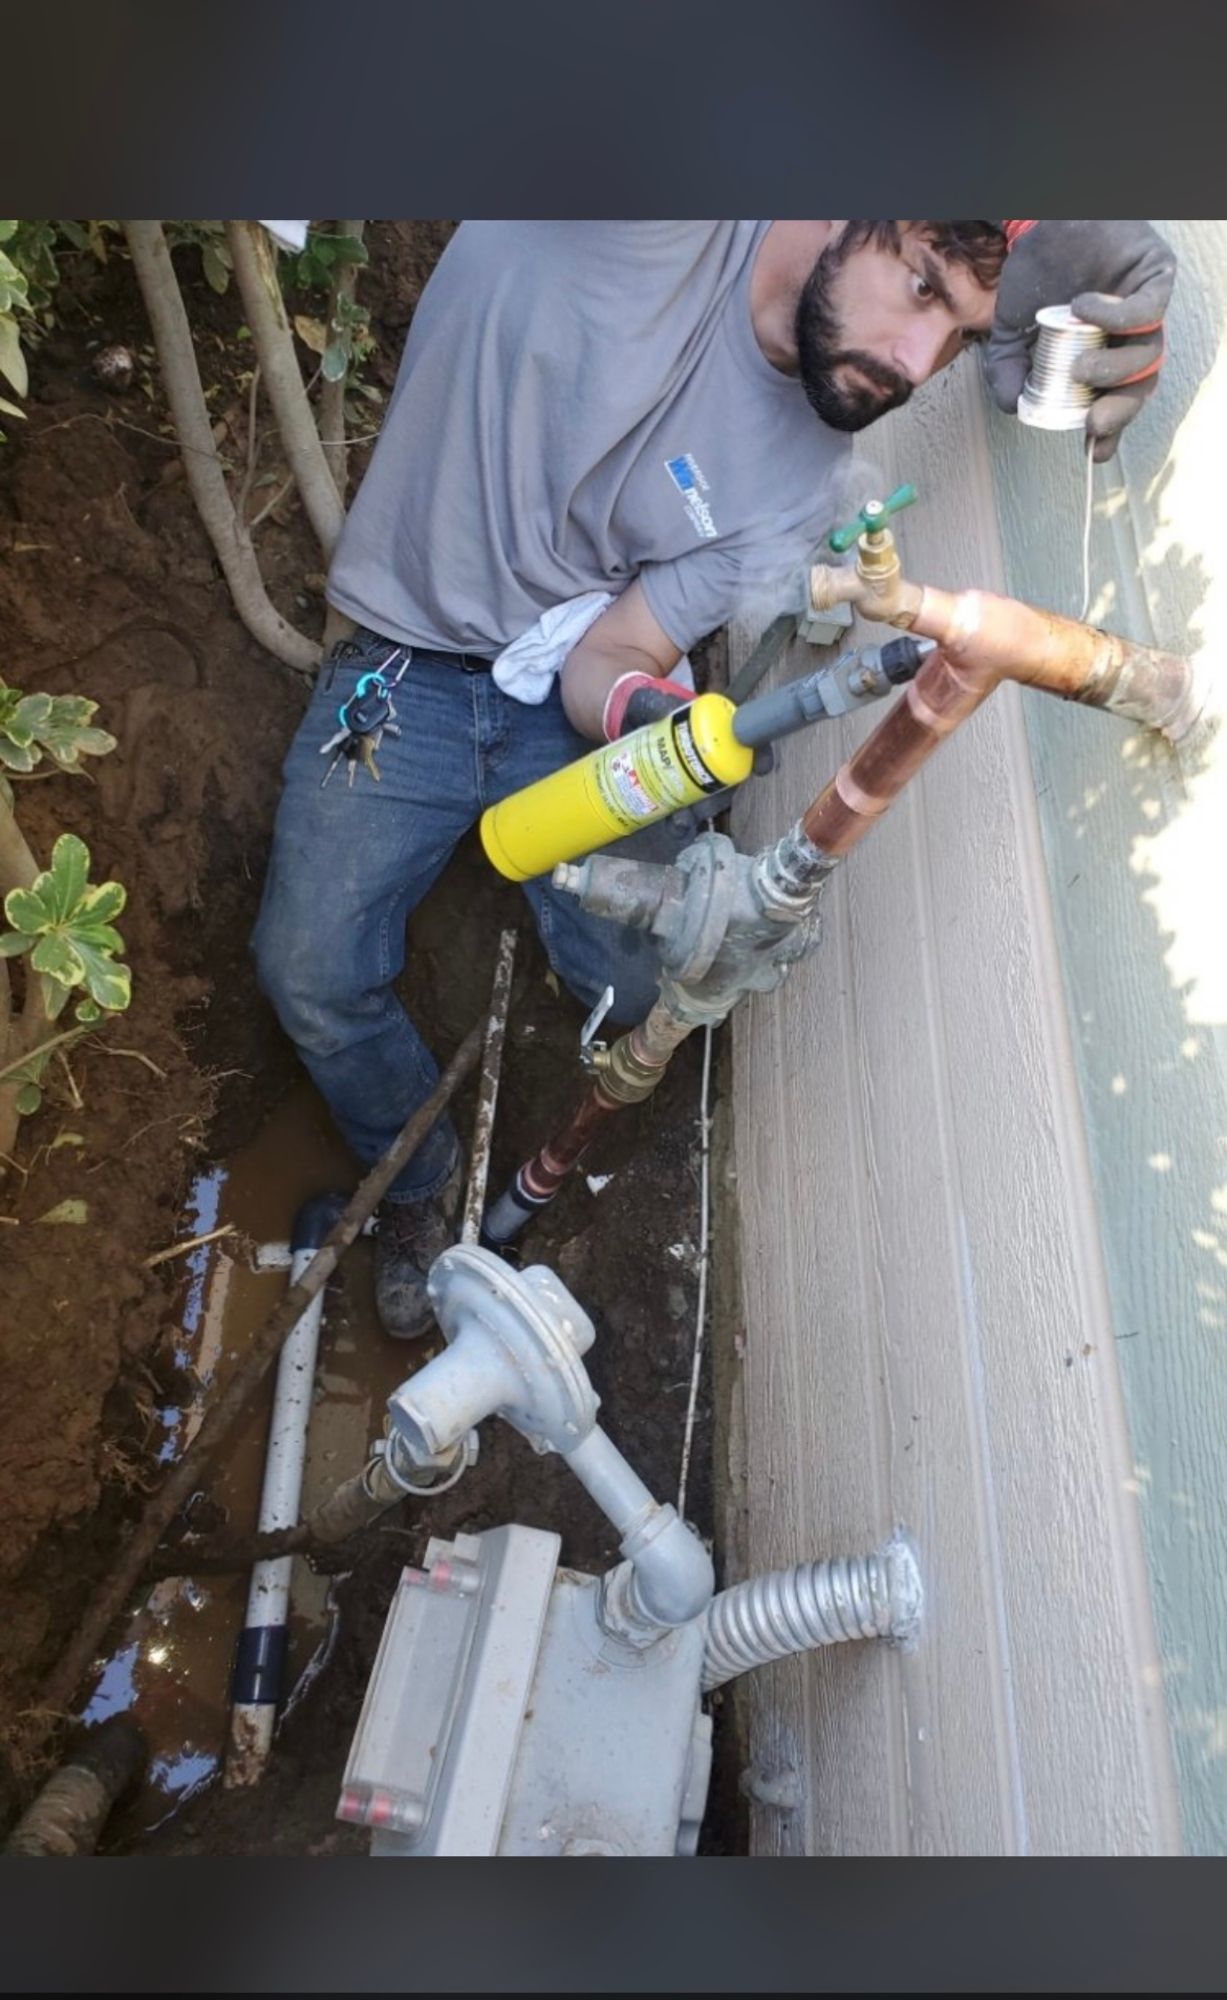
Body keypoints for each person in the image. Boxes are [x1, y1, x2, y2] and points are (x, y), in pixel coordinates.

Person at [252, 218, 1176, 1337]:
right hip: (400, 664)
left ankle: (558, 1040)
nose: (912, 364)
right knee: (309, 968)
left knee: (645, 987)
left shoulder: (801, 477)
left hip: (559, 685)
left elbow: (610, 657)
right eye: (920, 285)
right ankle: (413, 1177)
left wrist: (658, 725)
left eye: (958, 336)